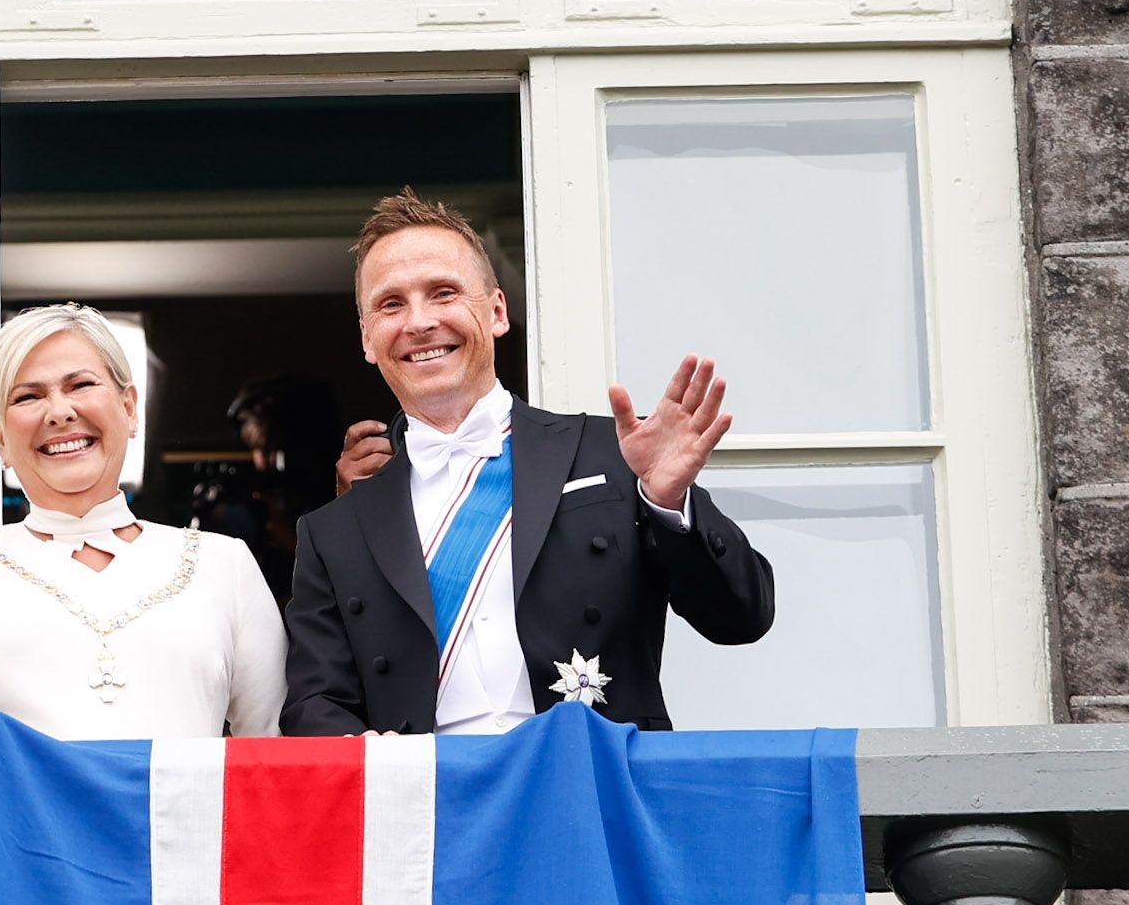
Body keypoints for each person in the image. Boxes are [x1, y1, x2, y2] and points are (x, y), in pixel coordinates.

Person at [283, 191, 773, 735]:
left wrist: (666, 504)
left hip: (594, 793)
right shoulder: (335, 531)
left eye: (443, 293)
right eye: (391, 304)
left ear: (497, 311)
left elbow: (741, 618)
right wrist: (384, 766)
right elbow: (313, 705)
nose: (419, 322)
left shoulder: (612, 453)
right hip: (434, 806)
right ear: (367, 339)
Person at [0, 303, 286, 739]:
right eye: (28, 396)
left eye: (80, 385)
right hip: (11, 816)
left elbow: (274, 748)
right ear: (0, 437)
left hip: (174, 814)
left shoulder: (223, 563)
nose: (59, 412)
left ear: (130, 408)